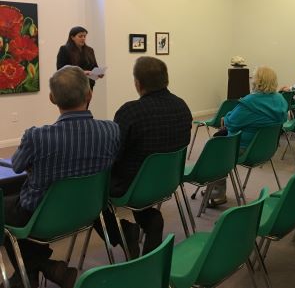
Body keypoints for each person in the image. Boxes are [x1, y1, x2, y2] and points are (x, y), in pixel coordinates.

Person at [5, 66, 119, 288]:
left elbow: (17, 166)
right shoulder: (111, 130)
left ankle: (40, 269)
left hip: (40, 216)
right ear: (90, 95)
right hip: (89, 209)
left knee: (7, 210)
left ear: (51, 98)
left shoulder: (37, 136)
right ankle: (39, 270)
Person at [98, 57, 192, 257]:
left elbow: (113, 155)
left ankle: (122, 233)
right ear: (166, 79)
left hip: (133, 186)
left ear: (138, 83)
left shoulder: (130, 111)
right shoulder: (182, 107)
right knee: (138, 170)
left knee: (93, 189)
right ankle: (150, 219)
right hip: (167, 182)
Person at [209, 66, 288, 206]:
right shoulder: (280, 100)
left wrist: (225, 117)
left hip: (246, 149)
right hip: (267, 148)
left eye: (253, 77)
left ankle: (218, 192)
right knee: (219, 136)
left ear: (257, 81)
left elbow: (231, 123)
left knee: (216, 147)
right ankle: (215, 187)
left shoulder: (250, 102)